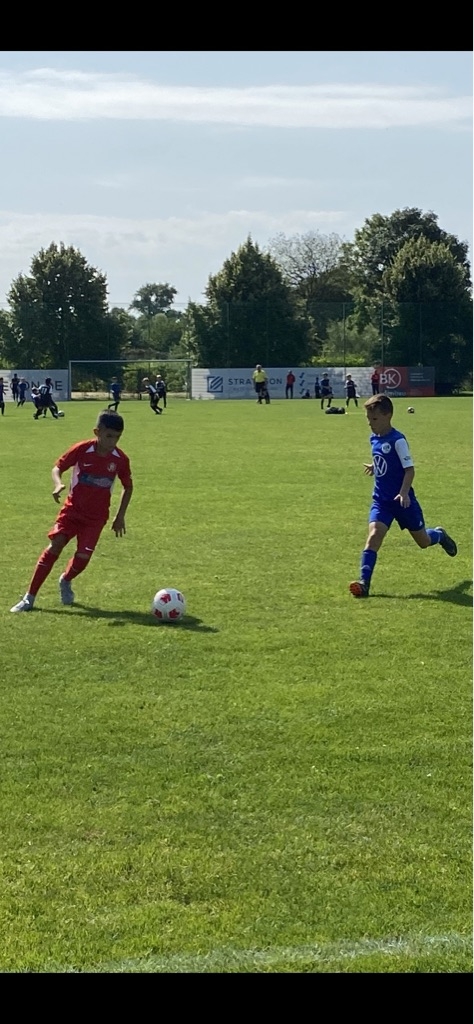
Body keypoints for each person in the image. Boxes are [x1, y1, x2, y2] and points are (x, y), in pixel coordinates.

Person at [10, 410, 133, 613]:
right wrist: (58, 484)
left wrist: (120, 516)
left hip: (96, 518)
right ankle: (29, 598)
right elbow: (57, 467)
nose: (113, 442)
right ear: (97, 432)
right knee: (55, 546)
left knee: (83, 558)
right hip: (72, 511)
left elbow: (128, 487)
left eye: (117, 437)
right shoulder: (82, 449)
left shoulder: (120, 459)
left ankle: (66, 579)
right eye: (109, 436)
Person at [349, 394, 457, 599]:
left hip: (403, 501)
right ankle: (364, 583)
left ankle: (440, 535)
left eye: (374, 419)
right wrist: (375, 466)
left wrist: (404, 492)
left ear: (388, 416)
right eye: (368, 419)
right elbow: (386, 461)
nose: (370, 423)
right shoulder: (374, 438)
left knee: (423, 541)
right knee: (374, 535)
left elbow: (409, 470)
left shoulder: (398, 440)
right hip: (382, 501)